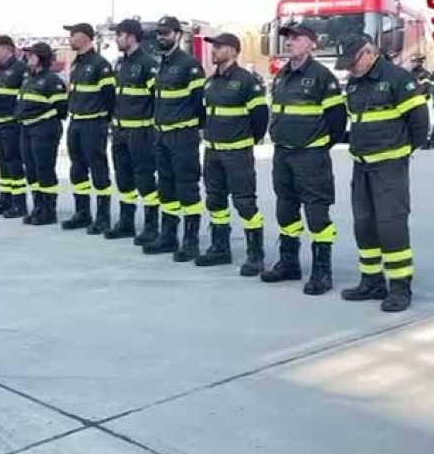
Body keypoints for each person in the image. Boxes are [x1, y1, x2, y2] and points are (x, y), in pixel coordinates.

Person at [339, 35, 429, 313]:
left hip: (389, 167)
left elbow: (420, 124)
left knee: (391, 227)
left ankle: (400, 287)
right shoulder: (355, 82)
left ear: (369, 52)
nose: (350, 69)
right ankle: (372, 281)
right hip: (361, 165)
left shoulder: (397, 79)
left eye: (353, 62)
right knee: (364, 225)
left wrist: (400, 152)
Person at [263, 24, 347, 295]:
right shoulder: (282, 75)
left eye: (296, 38)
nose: (289, 43)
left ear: (312, 43)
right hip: (283, 153)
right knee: (285, 210)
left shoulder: (322, 77)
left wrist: (317, 145)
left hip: (310, 155)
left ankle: (322, 271)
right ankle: (289, 263)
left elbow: (336, 121)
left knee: (316, 213)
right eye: (287, 38)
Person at [196, 33, 270, 273]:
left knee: (245, 203)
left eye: (219, 46)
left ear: (234, 51)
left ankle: (255, 254)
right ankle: (220, 248)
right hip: (213, 153)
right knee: (215, 202)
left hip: (237, 154)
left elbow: (260, 117)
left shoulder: (247, 81)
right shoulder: (210, 82)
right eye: (213, 47)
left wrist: (249, 140)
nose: (213, 50)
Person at [142, 17, 206, 260]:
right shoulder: (163, 64)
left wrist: (192, 130)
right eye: (159, 33)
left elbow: (199, 104)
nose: (161, 37)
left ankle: (191, 241)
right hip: (162, 135)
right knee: (166, 187)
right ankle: (168, 236)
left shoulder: (189, 65)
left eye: (166, 33)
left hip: (183, 136)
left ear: (178, 35)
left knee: (187, 187)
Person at [105, 18, 161, 244]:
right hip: (120, 132)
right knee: (124, 179)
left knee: (145, 179)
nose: (116, 39)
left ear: (130, 36)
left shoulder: (148, 64)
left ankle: (151, 225)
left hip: (141, 133)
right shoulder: (120, 64)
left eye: (119, 35)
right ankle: (126, 222)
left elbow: (157, 99)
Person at [61, 21, 117, 235]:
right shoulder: (77, 63)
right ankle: (82, 212)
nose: (70, 38)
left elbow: (109, 96)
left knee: (98, 169)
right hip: (76, 122)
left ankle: (103, 217)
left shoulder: (99, 64)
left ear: (85, 37)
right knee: (77, 169)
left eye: (73, 34)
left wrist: (106, 121)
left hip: (93, 123)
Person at [16, 42, 69, 226]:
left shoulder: (52, 80)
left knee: (44, 170)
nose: (27, 58)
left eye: (30, 55)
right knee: (31, 170)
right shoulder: (28, 78)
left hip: (44, 130)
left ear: (40, 58)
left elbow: (61, 109)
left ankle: (48, 210)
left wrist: (41, 118)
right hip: (27, 130)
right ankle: (38, 206)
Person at [0, 35, 29, 218]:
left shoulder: (19, 69)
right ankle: (5, 199)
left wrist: (16, 117)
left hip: (11, 124)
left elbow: (24, 96)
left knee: (13, 163)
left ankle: (19, 203)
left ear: (8, 49)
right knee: (3, 163)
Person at [409, 55, 433, 149]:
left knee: (424, 122)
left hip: (422, 101)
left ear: (420, 62)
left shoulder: (425, 74)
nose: (413, 64)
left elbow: (427, 87)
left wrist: (424, 97)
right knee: (414, 122)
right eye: (413, 62)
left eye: (415, 62)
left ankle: (426, 141)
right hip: (411, 102)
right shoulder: (410, 73)